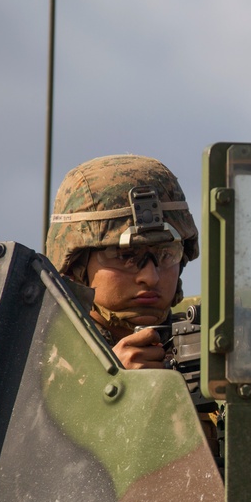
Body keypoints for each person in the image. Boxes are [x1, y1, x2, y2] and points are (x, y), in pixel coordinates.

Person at [45, 154, 199, 370]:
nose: (150, 277)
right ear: (75, 268)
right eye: (125, 256)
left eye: (166, 254)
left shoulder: (207, 343)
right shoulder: (39, 357)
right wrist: (110, 384)